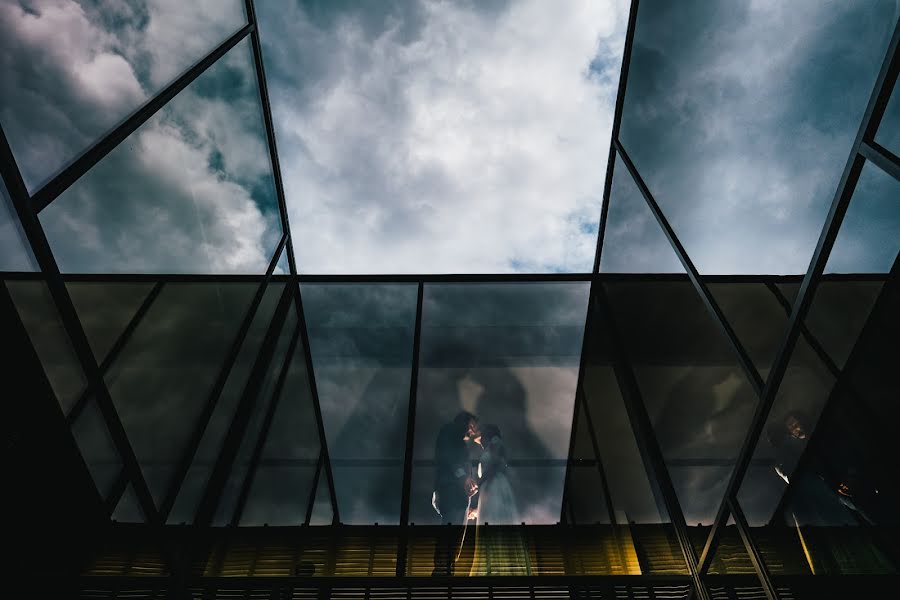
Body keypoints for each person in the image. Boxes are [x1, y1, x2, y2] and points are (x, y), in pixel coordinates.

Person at [469, 424, 527, 575]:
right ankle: (494, 567)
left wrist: (480, 483)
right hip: (489, 489)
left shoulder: (495, 443)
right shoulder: (489, 448)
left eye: (481, 439)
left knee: (496, 519)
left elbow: (494, 464)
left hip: (495, 486)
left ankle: (500, 568)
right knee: (491, 520)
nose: (480, 442)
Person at [431, 411, 479, 575]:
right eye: (471, 426)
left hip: (456, 495)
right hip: (452, 494)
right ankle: (442, 574)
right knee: (451, 538)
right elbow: (449, 457)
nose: (473, 431)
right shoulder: (449, 432)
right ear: (462, 422)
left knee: (453, 539)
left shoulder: (454, 438)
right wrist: (464, 477)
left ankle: (445, 572)